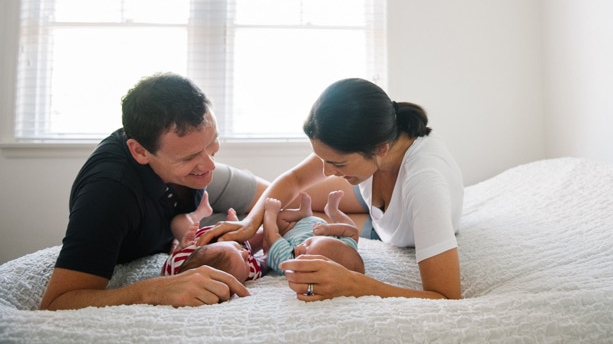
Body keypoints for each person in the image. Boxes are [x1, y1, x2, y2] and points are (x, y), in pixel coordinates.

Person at [200, 78, 463, 300]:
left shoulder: (424, 184)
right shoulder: (369, 142)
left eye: (337, 163)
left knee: (291, 219)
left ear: (381, 149)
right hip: (369, 194)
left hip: (391, 227)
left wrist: (353, 284)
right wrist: (248, 224)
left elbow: (446, 296)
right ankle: (201, 200)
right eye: (323, 160)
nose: (327, 173)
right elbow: (295, 179)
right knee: (279, 206)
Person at [40, 72, 271, 310]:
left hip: (192, 196)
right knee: (277, 222)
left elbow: (282, 193)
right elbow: (57, 302)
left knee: (289, 206)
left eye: (212, 143)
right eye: (190, 156)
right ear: (140, 152)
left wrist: (253, 221)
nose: (211, 164)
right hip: (182, 220)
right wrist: (153, 289)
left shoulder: (197, 164)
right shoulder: (107, 195)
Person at [161, 193, 264, 283]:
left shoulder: (177, 264)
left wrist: (181, 246)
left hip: (211, 236)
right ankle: (265, 224)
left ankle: (198, 215)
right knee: (262, 235)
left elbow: (165, 272)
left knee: (177, 223)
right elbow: (266, 261)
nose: (245, 253)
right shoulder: (250, 271)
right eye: (243, 261)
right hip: (241, 240)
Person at [263, 190, 364, 275]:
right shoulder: (345, 251)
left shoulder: (288, 263)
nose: (300, 248)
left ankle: (301, 213)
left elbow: (271, 235)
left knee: (278, 219)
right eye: (309, 243)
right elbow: (352, 232)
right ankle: (333, 211)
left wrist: (271, 212)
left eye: (304, 255)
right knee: (350, 226)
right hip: (321, 226)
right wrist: (329, 230)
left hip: (292, 227)